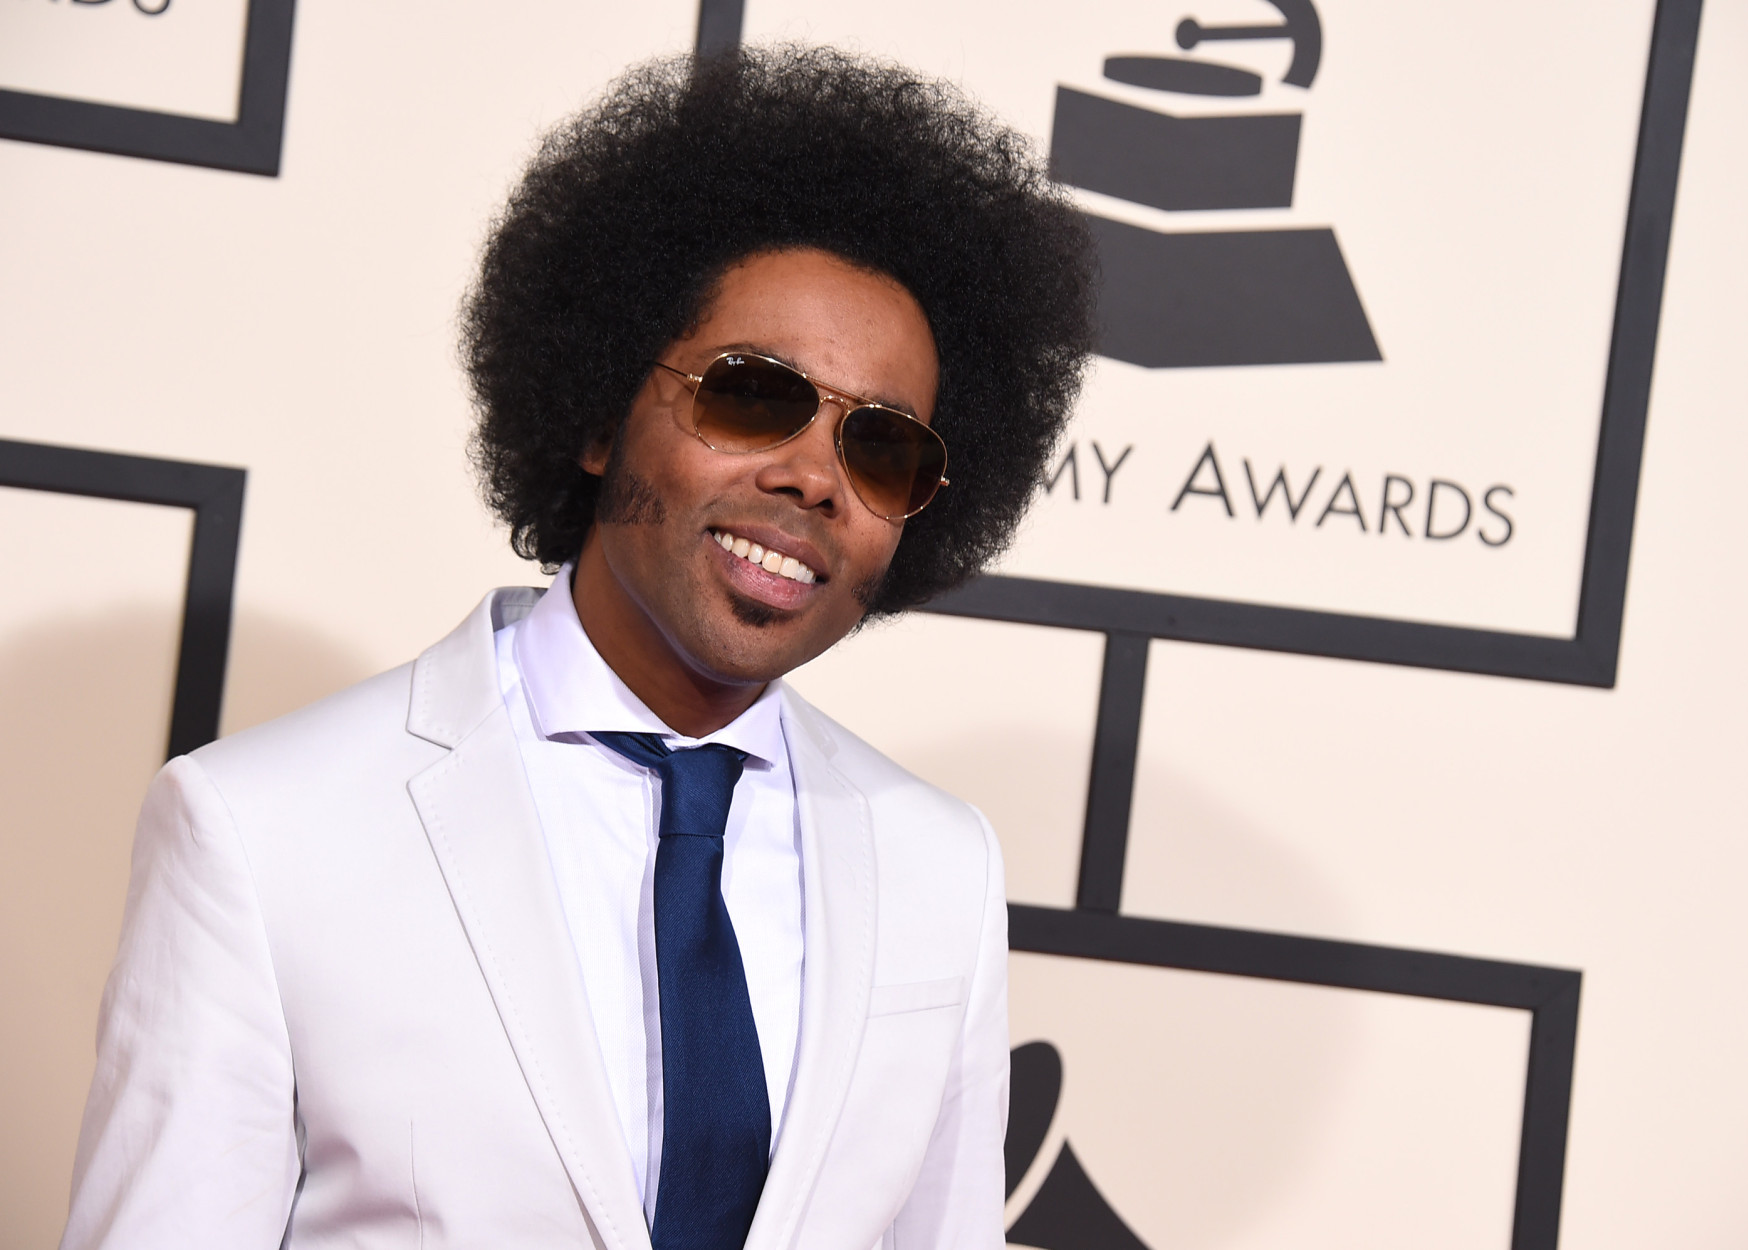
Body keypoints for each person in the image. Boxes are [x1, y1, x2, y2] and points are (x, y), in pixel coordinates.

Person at [60, 45, 1094, 1250]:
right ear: (601, 412)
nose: (814, 476)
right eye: (753, 394)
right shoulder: (260, 827)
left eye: (881, 448)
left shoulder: (938, 865)